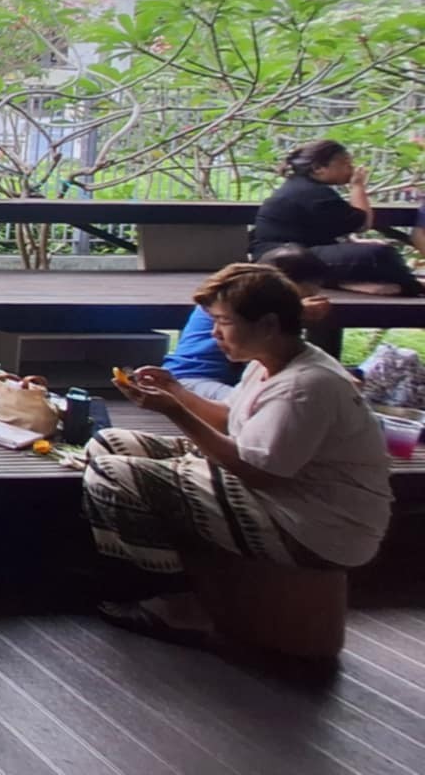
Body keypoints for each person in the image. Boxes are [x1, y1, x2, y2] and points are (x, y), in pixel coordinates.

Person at [86, 262, 392, 645]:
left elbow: (260, 473)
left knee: (114, 474)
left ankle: (177, 604)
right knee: (108, 443)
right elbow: (230, 418)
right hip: (281, 493)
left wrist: (174, 411)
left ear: (267, 325)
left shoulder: (306, 386)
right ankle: (158, 579)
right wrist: (174, 390)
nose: (214, 333)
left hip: (314, 523)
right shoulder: (271, 361)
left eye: (223, 322)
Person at [251, 139, 420, 296]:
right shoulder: (311, 192)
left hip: (290, 256)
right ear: (318, 168)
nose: (351, 169)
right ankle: (412, 287)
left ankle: (346, 282)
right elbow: (362, 224)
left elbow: (327, 230)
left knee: (375, 250)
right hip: (286, 261)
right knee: (379, 254)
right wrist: (357, 186)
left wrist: (352, 243)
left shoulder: (305, 187)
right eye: (346, 164)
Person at [164, 247, 329, 400]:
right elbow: (258, 314)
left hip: (230, 379)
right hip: (193, 379)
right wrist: (294, 310)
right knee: (257, 401)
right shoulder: (230, 300)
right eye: (296, 297)